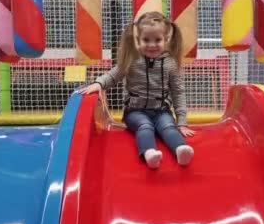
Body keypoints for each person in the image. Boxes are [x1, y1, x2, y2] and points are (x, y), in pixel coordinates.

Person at [79, 11, 195, 169]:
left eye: (157, 40)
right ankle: (149, 153)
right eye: (146, 40)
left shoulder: (170, 64)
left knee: (169, 126)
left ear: (166, 40)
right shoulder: (132, 60)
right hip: (135, 112)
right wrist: (99, 84)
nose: (152, 45)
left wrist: (182, 122)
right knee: (145, 125)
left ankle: (180, 150)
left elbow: (178, 92)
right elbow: (113, 75)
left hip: (161, 110)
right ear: (138, 40)